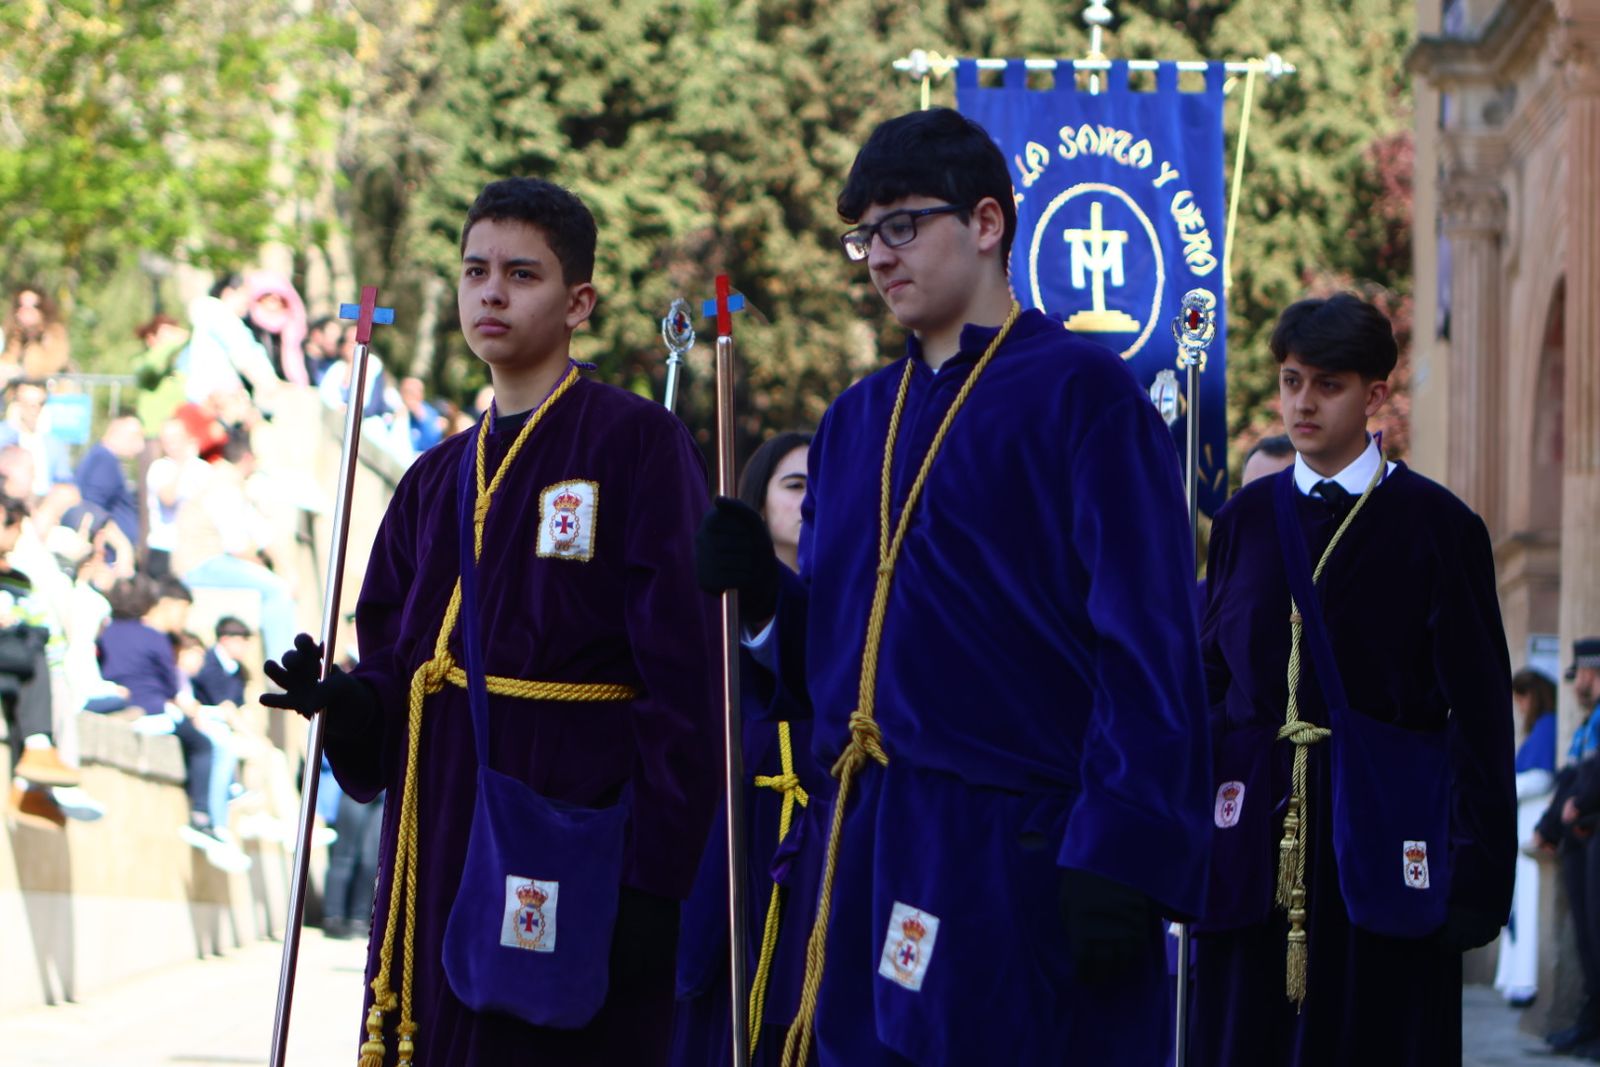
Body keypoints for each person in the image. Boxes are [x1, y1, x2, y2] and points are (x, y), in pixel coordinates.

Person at [697, 108, 1212, 1066]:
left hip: (1021, 849)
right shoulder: (854, 421)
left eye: (901, 224)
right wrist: (768, 605)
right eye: (863, 234)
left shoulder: (1083, 391)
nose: (878, 257)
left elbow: (1150, 643)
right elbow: (851, 651)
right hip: (872, 838)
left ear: (984, 223)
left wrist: (1121, 847)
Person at [263, 176, 721, 1066]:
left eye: (523, 273)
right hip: (438, 830)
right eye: (476, 271)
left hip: (571, 830)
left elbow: (685, 679)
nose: (492, 292)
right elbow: (395, 659)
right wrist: (351, 706)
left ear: (578, 301)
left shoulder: (634, 444)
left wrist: (655, 885)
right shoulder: (433, 478)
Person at [1190, 293, 1514, 1066]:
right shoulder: (1242, 521)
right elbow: (1206, 685)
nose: (1302, 401)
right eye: (1291, 380)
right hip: (1254, 845)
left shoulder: (1439, 526)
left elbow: (1478, 713)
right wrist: (1188, 827)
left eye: (1326, 384)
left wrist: (1475, 874)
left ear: (1374, 396)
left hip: (1383, 829)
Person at [671, 432, 827, 1067]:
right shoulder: (714, 612)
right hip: (734, 849)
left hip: (814, 859)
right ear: (757, 507)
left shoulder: (857, 606)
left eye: (823, 486)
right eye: (793, 485)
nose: (811, 498)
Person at [1537, 638, 1600, 1053]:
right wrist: (1551, 824)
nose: (1576, 684)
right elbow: (1570, 778)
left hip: (1592, 832)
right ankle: (1590, 1021)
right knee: (1588, 939)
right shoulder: (1588, 724)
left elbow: (1588, 780)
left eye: (1580, 674)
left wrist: (1579, 806)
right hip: (1581, 841)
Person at [1495, 667, 1558, 1008]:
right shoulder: (1538, 730)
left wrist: (1507, 790)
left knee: (1531, 902)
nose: (1519, 705)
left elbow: (1543, 777)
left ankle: (1526, 981)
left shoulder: (1548, 727)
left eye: (1522, 697)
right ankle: (1516, 979)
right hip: (1525, 824)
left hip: (1534, 823)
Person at [73, 414, 145, 549]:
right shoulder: (105, 462)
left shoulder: (102, 457)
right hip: (107, 555)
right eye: (136, 437)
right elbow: (93, 511)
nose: (140, 446)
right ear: (118, 432)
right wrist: (122, 548)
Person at [1, 286, 71, 380]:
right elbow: (8, 360)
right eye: (21, 305)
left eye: (34, 306)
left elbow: (54, 364)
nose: (26, 311)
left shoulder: (54, 332)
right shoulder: (13, 333)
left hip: (50, 387)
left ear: (43, 309)